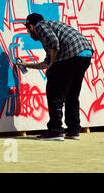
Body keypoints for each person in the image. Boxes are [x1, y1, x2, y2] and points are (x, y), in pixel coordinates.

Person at [17, 13, 94, 141]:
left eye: (28, 30)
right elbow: (47, 63)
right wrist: (27, 65)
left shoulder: (41, 26)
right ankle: (74, 130)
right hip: (84, 54)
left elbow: (54, 44)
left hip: (71, 55)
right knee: (71, 94)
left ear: (31, 26)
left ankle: (55, 130)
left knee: (54, 91)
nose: (29, 34)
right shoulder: (53, 29)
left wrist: (52, 64)